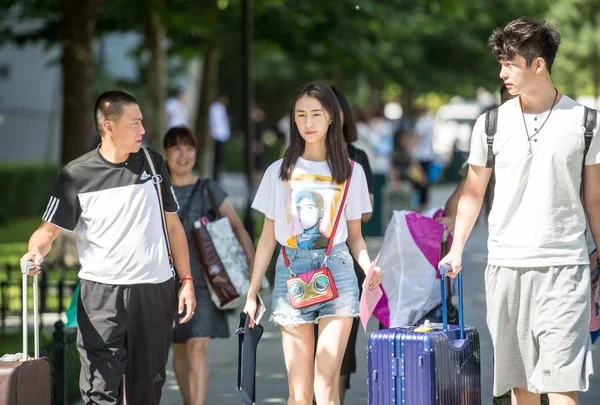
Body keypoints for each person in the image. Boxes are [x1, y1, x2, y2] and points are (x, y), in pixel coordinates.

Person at [440, 17, 600, 405]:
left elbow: (593, 198)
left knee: (562, 382)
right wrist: (457, 247)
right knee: (521, 387)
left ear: (538, 64)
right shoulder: (490, 124)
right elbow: (473, 192)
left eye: (509, 63)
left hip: (566, 266)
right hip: (506, 266)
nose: (502, 73)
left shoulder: (586, 123)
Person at [20, 90, 196, 405]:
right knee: (99, 392)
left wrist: (186, 281)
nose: (143, 130)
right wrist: (36, 252)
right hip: (101, 295)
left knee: (147, 390)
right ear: (109, 127)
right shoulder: (76, 174)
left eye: (142, 122)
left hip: (153, 290)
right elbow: (48, 231)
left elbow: (172, 226)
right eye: (134, 123)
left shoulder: (153, 164)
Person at [243, 81, 383, 405]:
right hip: (290, 270)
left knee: (326, 386)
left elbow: (356, 238)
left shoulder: (351, 171)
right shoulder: (278, 172)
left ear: (332, 118)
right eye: (301, 115)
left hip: (338, 270)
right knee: (300, 393)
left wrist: (369, 267)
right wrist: (252, 295)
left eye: (316, 114)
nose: (308, 123)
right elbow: (267, 239)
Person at [163, 126, 255, 405]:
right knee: (179, 348)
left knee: (197, 347)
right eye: (177, 148)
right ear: (165, 153)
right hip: (168, 280)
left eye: (189, 148)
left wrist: (252, 267)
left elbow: (237, 227)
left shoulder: (208, 188)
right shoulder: (156, 190)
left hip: (205, 281)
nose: (183, 154)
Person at [329, 86, 375, 404]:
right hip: (302, 266)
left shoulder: (357, 159)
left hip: (345, 261)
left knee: (342, 348)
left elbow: (367, 210)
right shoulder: (296, 161)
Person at [209, 94, 232, 181]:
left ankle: (218, 174)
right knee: (218, 157)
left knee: (220, 156)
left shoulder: (220, 108)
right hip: (218, 135)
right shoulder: (216, 108)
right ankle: (216, 175)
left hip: (220, 135)